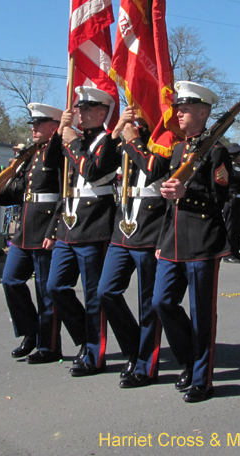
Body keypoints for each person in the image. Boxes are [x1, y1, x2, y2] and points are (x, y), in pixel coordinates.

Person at [153, 80, 232, 403]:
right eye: (178, 109)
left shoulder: (217, 152)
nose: (179, 114)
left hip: (202, 240)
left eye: (185, 109)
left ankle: (202, 378)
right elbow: (169, 205)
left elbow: (221, 198)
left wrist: (190, 194)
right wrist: (161, 239)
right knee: (162, 301)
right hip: (173, 241)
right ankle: (188, 359)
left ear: (203, 112)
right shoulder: (178, 150)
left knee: (201, 313)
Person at [0, 103, 64, 365]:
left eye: (40, 124)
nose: (34, 129)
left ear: (55, 126)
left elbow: (65, 195)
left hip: (45, 227)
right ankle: (31, 332)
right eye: (33, 125)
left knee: (45, 291)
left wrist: (55, 229)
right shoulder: (31, 154)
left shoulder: (60, 153)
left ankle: (50, 345)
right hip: (25, 228)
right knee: (10, 280)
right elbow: (21, 190)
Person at [48, 86, 119, 377]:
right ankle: (83, 340)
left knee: (93, 295)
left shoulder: (108, 140)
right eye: (80, 108)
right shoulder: (73, 138)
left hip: (94, 223)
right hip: (68, 224)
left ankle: (94, 353)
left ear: (103, 112)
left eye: (88, 109)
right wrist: (61, 132)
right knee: (54, 287)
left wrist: (72, 140)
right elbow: (50, 163)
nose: (81, 112)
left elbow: (92, 172)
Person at [98, 106, 171, 388]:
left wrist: (131, 138)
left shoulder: (165, 138)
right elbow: (100, 168)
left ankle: (146, 366)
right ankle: (133, 349)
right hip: (123, 225)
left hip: (151, 226)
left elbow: (153, 170)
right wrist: (115, 133)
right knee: (106, 291)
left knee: (148, 304)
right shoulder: (129, 135)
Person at [223, 144, 240, 264]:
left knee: (236, 227)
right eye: (239, 155)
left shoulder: (238, 165)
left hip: (238, 199)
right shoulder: (230, 166)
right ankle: (228, 253)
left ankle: (235, 251)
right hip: (232, 199)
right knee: (230, 227)